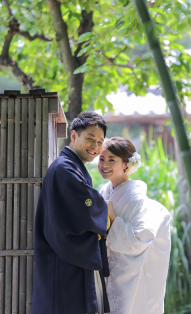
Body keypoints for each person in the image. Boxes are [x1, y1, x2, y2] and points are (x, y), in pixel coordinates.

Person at [31, 111, 110, 314]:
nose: (95, 147)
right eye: (90, 139)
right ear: (73, 136)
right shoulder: (64, 169)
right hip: (63, 265)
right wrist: (107, 212)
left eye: (100, 142)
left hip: (67, 262)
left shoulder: (71, 167)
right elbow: (86, 208)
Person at [98, 137, 171, 314]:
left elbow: (139, 240)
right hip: (106, 268)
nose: (104, 164)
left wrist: (114, 218)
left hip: (128, 274)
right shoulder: (103, 191)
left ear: (125, 164)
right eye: (101, 159)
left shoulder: (136, 198)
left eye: (111, 160)